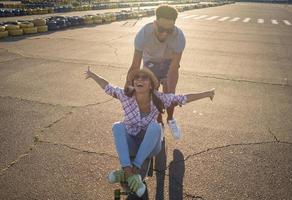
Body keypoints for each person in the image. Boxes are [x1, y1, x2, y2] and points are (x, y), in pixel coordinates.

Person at [84, 67, 215, 197]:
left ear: (151, 85)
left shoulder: (159, 98)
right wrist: (92, 74)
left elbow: (183, 98)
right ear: (133, 82)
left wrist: (207, 93)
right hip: (132, 143)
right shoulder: (126, 95)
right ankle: (127, 170)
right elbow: (107, 86)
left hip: (151, 145)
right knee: (117, 126)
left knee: (155, 127)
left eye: (144, 78)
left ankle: (134, 167)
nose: (139, 79)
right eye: (137, 77)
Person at [126, 4, 186, 139]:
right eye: (161, 29)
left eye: (169, 30)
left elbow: (174, 68)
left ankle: (170, 119)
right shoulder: (143, 35)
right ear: (155, 23)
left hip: (169, 64)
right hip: (150, 64)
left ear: (174, 26)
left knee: (170, 95)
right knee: (153, 95)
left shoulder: (179, 37)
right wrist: (128, 85)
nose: (164, 34)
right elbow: (135, 65)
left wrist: (169, 93)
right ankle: (159, 123)